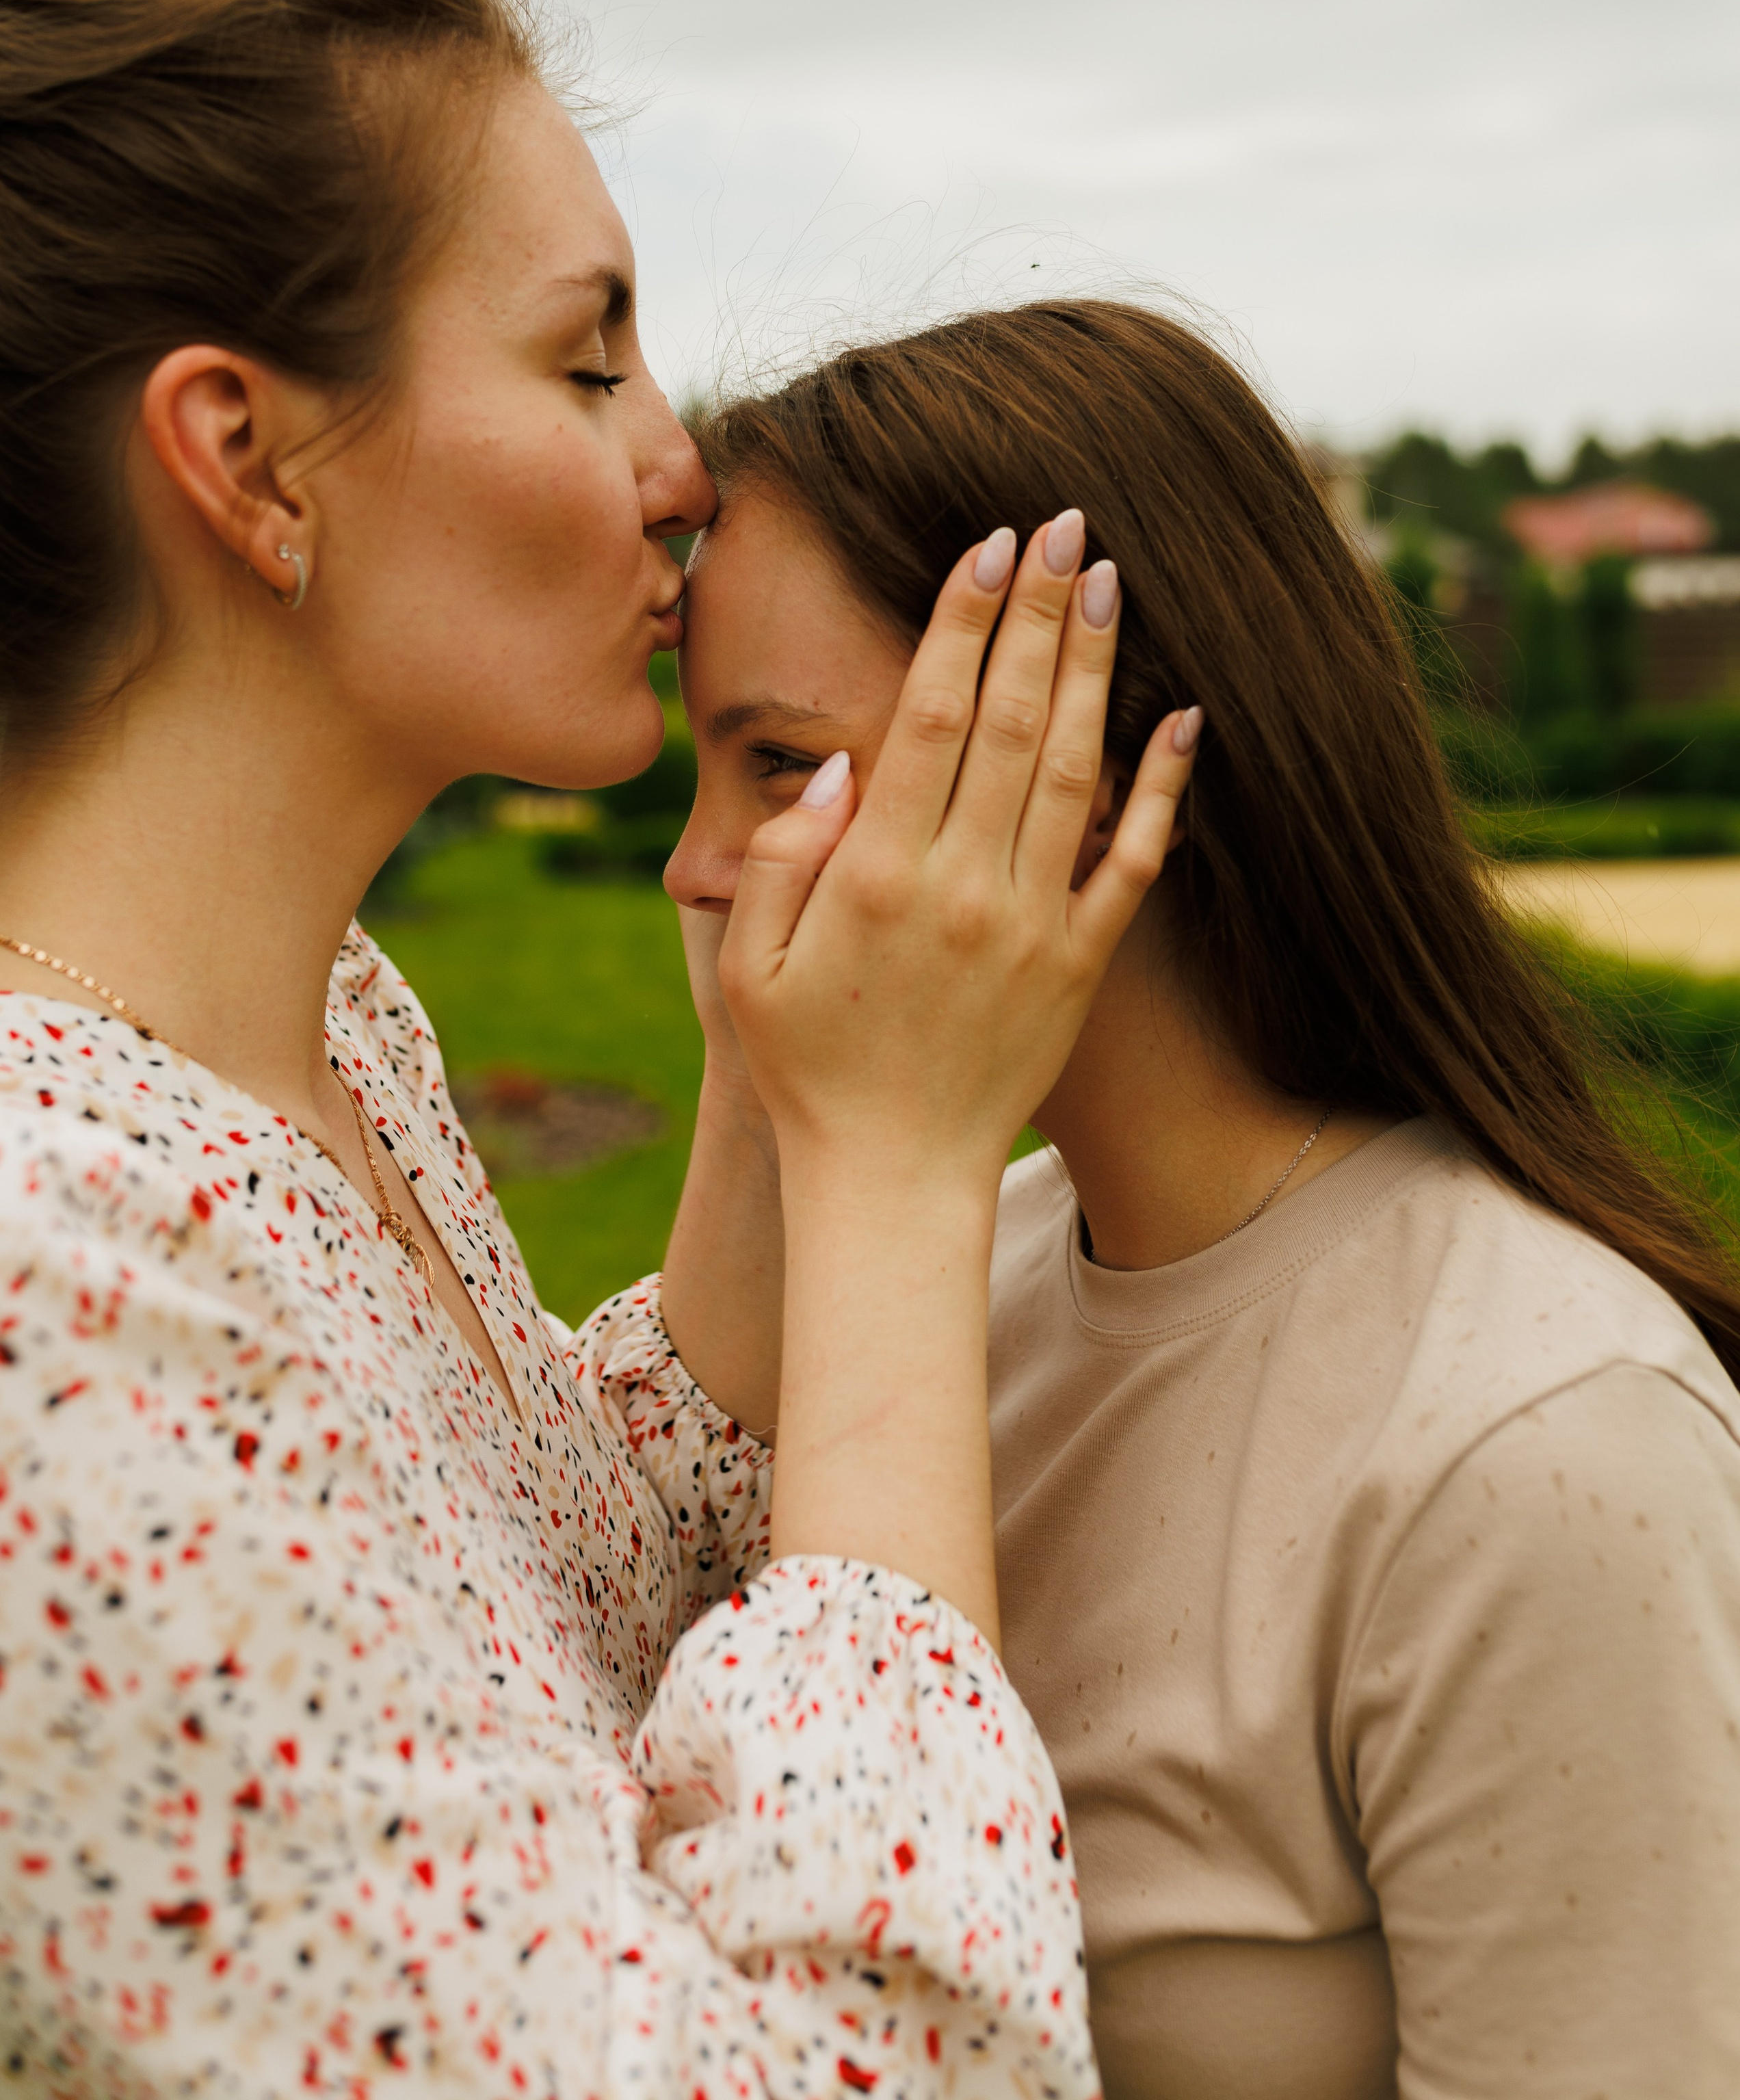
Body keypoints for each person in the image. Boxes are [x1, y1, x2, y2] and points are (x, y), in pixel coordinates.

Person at [0, 0, 1204, 2095]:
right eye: (586, 362)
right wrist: (903, 1174)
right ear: (248, 460)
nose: (683, 464)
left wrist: (773, 1052)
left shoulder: (323, 1028)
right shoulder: (46, 1280)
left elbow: (572, 1601)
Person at [661, 300, 1740, 2100]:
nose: (702, 864)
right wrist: (777, 1103)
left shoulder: (1537, 1450)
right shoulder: (933, 1298)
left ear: (1086, 770)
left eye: (777, 766)